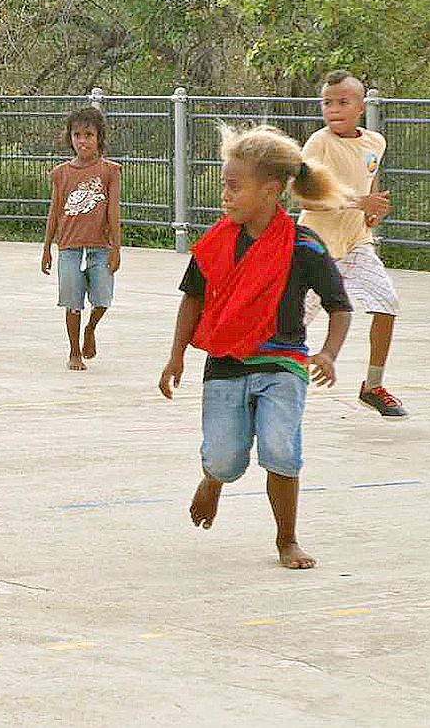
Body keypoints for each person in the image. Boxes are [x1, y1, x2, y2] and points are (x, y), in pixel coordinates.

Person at [158, 124, 353, 570]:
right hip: (225, 363)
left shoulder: (304, 246)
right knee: (225, 459)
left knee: (280, 448)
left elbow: (339, 305)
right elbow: (193, 299)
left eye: (233, 186)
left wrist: (328, 353)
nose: (224, 195)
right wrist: (176, 356)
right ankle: (213, 480)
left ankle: (287, 539)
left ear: (269, 191)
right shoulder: (215, 244)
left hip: (282, 361)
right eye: (223, 184)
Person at [301, 71, 404, 417]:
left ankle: (373, 386)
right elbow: (305, 200)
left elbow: (369, 184)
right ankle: (271, 376)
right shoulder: (318, 144)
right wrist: (359, 203)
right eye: (327, 103)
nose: (333, 110)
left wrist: (373, 211)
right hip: (318, 247)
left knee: (387, 302)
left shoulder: (375, 142)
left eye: (343, 102)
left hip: (357, 243)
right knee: (294, 320)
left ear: (361, 106)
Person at [40, 106, 122, 370]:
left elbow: (113, 210)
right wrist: (47, 248)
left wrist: (116, 247)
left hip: (100, 247)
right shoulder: (61, 173)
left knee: (102, 298)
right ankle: (74, 351)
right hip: (69, 247)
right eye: (77, 135)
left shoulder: (109, 171)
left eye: (88, 135)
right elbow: (54, 211)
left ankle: (91, 328)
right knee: (72, 300)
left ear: (99, 137)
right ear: (70, 138)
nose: (82, 141)